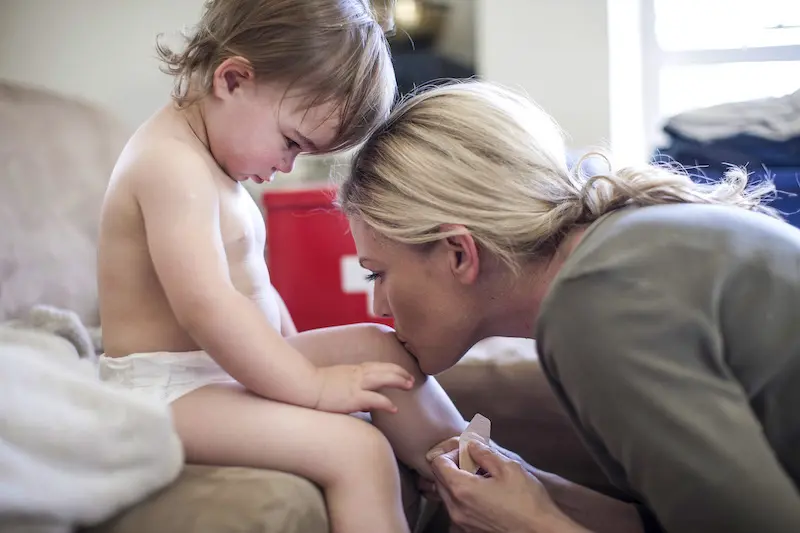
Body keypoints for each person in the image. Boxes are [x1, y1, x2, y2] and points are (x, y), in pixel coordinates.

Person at [336, 80, 800, 533]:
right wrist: (536, 488)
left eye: (379, 273)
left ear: (459, 252)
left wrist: (528, 523)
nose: (378, 306)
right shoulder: (621, 250)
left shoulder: (599, 302)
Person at [95, 2, 466, 533]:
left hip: (217, 372)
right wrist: (311, 388)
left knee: (382, 352)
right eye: (292, 142)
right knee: (357, 451)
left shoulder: (214, 167)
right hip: (164, 394)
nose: (288, 164)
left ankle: (471, 476)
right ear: (234, 79)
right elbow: (208, 308)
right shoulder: (168, 166)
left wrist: (305, 361)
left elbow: (256, 297)